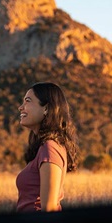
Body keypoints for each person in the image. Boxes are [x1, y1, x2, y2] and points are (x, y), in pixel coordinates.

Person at [16, 82, 79, 212]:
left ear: (46, 109)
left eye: (27, 101)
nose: (20, 108)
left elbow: (49, 208)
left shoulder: (50, 148)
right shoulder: (44, 147)